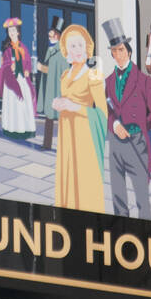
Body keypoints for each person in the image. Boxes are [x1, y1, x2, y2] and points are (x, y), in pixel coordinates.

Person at [103, 18, 151, 220]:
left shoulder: (143, 81)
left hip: (137, 143)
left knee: (142, 199)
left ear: (128, 51)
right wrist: (115, 124)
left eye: (121, 50)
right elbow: (108, 110)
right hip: (115, 144)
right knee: (118, 197)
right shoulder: (109, 81)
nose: (117, 55)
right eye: (114, 51)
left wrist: (137, 126)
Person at [53, 24, 107, 213]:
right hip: (66, 134)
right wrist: (58, 102)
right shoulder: (65, 75)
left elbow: (102, 114)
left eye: (80, 45)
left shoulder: (93, 76)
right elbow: (66, 98)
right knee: (68, 179)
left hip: (84, 138)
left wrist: (75, 107)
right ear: (66, 50)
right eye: (73, 46)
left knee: (83, 182)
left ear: (87, 47)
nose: (77, 50)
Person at [0, 18, 37, 140]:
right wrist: (10, 66)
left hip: (22, 79)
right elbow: (4, 65)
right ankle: (12, 130)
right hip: (12, 81)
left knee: (23, 104)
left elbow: (27, 62)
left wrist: (26, 70)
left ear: (18, 32)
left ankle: (25, 130)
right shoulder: (7, 50)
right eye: (9, 31)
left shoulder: (24, 48)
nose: (11, 33)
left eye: (13, 30)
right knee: (13, 105)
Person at [35, 16, 64, 150]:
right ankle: (46, 145)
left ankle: (63, 146)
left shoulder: (61, 51)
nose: (49, 34)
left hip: (57, 90)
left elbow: (58, 70)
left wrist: (42, 68)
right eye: (50, 32)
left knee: (59, 119)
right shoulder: (51, 48)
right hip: (50, 88)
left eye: (52, 32)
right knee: (49, 117)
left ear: (57, 35)